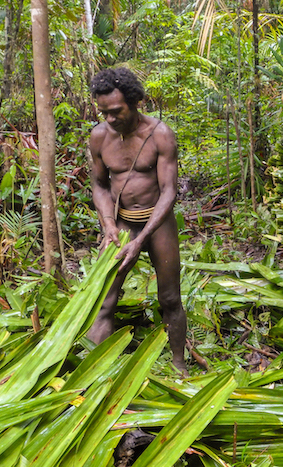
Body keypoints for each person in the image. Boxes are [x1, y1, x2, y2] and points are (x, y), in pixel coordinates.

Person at [87, 67, 187, 375]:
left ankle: (179, 365)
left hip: (158, 224)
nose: (110, 119)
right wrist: (108, 224)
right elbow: (100, 185)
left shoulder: (160, 135)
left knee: (170, 298)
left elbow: (169, 191)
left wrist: (141, 241)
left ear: (136, 102)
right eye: (104, 112)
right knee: (104, 300)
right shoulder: (100, 137)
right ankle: (91, 370)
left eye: (116, 111)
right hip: (122, 223)